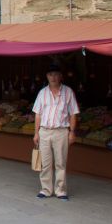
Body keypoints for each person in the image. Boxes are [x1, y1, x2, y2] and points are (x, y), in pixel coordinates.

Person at [32, 64, 79, 201]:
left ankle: (61, 191)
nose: (53, 77)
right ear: (47, 76)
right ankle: (46, 189)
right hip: (44, 132)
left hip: (61, 132)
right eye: (50, 74)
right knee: (45, 163)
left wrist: (72, 132)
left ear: (61, 76)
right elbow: (38, 115)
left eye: (56, 74)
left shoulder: (68, 92)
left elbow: (73, 114)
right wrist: (36, 133)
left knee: (60, 162)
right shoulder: (42, 93)